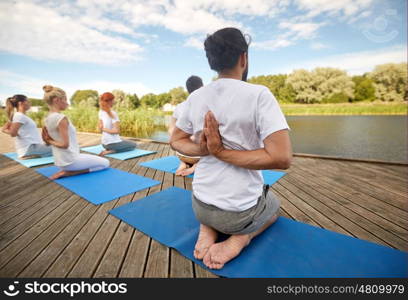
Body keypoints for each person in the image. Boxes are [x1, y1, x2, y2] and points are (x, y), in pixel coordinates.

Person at [170, 28, 292, 269]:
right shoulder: (259, 94)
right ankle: (240, 239)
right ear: (243, 58)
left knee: (214, 208)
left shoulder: (195, 97)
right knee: (275, 207)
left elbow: (176, 140)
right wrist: (217, 151)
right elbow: (282, 158)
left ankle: (208, 229)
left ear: (211, 62)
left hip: (199, 205)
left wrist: (204, 150)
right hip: (239, 215)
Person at [41, 85, 109, 180]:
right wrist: (49, 140)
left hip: (60, 162)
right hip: (70, 161)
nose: (67, 103)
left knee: (91, 158)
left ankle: (67, 170)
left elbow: (49, 139)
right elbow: (64, 145)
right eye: (65, 99)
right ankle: (69, 173)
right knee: (105, 163)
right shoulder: (61, 118)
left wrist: (48, 140)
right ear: (56, 100)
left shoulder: (47, 118)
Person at [168, 76, 203, 176]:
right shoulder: (207, 105)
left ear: (187, 90)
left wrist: (185, 140)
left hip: (181, 154)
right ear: (202, 87)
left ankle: (183, 163)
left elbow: (171, 130)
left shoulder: (179, 106)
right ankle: (196, 166)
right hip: (199, 156)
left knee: (179, 141)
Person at [1, 95, 52, 159]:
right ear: (20, 103)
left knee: (59, 147)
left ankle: (35, 155)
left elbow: (3, 129)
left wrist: (18, 133)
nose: (30, 103)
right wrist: (15, 132)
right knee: (61, 149)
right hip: (29, 148)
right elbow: (12, 133)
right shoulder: (19, 116)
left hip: (32, 147)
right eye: (27, 101)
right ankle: (28, 155)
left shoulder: (20, 116)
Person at [98, 92, 137, 156]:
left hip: (104, 144)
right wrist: (104, 129)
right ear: (109, 101)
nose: (114, 101)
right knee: (133, 145)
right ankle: (110, 151)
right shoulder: (113, 114)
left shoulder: (100, 112)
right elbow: (117, 131)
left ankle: (109, 149)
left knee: (123, 141)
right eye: (113, 100)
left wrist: (102, 129)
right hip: (111, 144)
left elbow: (100, 128)